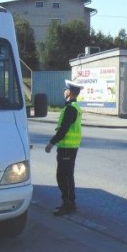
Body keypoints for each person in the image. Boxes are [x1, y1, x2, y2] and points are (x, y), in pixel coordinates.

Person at [45, 80, 83, 216]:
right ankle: (70, 202)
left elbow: (64, 129)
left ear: (69, 92)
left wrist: (51, 143)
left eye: (65, 89)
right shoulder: (74, 107)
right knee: (67, 175)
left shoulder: (70, 108)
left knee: (63, 176)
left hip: (67, 147)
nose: (63, 91)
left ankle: (68, 204)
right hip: (70, 147)